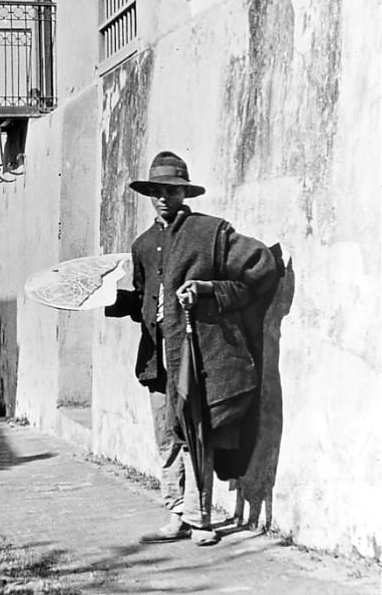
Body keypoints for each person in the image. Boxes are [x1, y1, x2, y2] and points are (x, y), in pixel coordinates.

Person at [106, 151, 278, 546]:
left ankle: (201, 519)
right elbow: (144, 300)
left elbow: (260, 271)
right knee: (167, 440)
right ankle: (175, 514)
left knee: (195, 437)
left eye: (172, 190)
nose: (164, 198)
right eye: (157, 191)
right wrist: (109, 301)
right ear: (149, 194)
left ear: (184, 192)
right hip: (157, 359)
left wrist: (206, 291)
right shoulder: (143, 245)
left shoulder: (212, 233)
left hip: (199, 358)